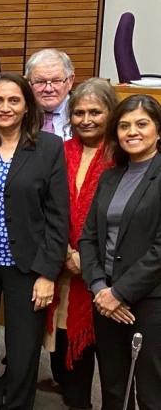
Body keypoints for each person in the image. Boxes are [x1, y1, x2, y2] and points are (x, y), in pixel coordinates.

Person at [0, 73, 69, 410]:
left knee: (23, 350)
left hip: (29, 267)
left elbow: (57, 216)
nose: (5, 107)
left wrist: (48, 274)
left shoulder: (48, 148)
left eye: (14, 100)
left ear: (26, 107)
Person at [78, 94, 161, 410]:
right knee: (114, 388)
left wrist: (121, 292)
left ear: (158, 130)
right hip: (107, 301)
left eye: (142, 124)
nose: (132, 132)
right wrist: (101, 290)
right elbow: (88, 239)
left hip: (151, 303)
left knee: (152, 393)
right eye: (124, 125)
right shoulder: (110, 176)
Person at [44, 79, 117, 410]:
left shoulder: (124, 156)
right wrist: (64, 252)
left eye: (95, 112)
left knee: (113, 367)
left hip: (109, 280)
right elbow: (45, 207)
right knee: (69, 362)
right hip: (63, 274)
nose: (86, 119)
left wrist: (86, 260)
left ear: (111, 113)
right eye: (78, 113)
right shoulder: (60, 152)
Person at [25, 49, 75, 140]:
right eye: (40, 81)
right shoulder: (20, 114)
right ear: (29, 83)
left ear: (70, 81)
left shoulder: (84, 114)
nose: (48, 89)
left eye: (56, 81)